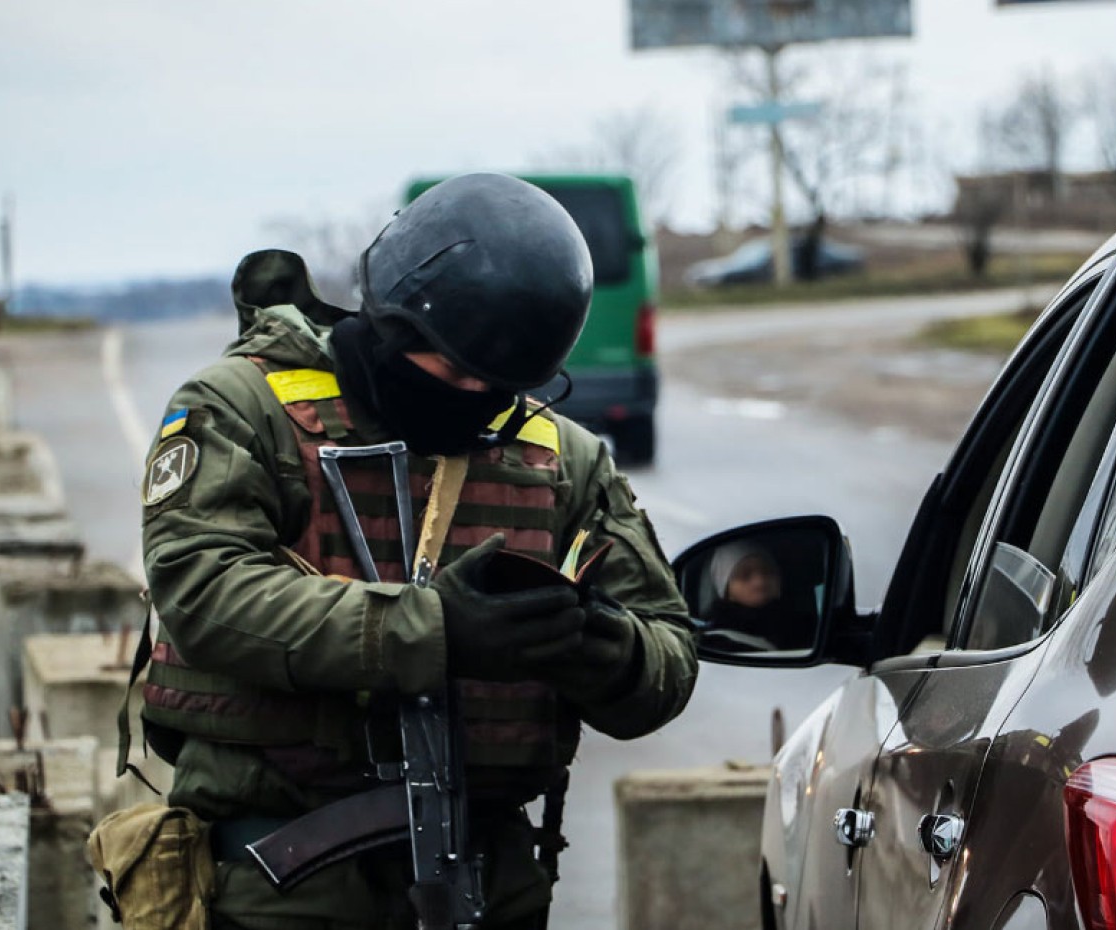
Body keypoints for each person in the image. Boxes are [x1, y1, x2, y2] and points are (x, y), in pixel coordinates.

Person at [136, 173, 698, 930]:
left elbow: (668, 652)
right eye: (454, 366)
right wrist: (434, 630)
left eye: (495, 383)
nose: (472, 393)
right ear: (394, 322)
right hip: (283, 879)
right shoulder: (242, 410)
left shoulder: (559, 456)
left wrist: (599, 646)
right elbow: (205, 591)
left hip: (490, 881)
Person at [700, 541, 817, 651]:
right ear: (726, 591)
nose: (759, 582)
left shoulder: (813, 629)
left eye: (768, 572)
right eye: (745, 575)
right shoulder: (715, 644)